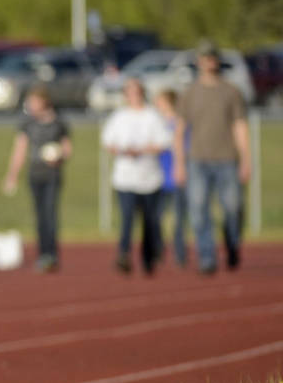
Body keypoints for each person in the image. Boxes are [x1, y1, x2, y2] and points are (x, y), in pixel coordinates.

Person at [179, 40, 251, 273]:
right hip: (198, 160)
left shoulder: (231, 92)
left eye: (212, 57)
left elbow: (240, 126)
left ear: (217, 60)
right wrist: (179, 163)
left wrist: (246, 159)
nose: (208, 61)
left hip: (227, 159)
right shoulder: (189, 93)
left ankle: (232, 245)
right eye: (204, 58)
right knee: (199, 210)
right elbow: (179, 131)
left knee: (232, 208)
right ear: (198, 62)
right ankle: (207, 256)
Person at [101, 77, 172, 274]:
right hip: (125, 178)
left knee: (150, 220)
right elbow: (108, 142)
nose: (133, 96)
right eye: (129, 92)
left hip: (149, 179)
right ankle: (123, 254)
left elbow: (164, 142)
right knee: (127, 218)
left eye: (136, 91)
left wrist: (144, 150)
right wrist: (123, 151)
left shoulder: (152, 116)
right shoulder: (119, 117)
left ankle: (149, 256)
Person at [3, 86, 71, 271]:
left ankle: (52, 254)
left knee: (50, 214)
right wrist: (12, 175)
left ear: (43, 101)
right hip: (35, 174)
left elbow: (67, 149)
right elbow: (20, 149)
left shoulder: (58, 123)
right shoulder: (28, 124)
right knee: (40, 216)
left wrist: (59, 157)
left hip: (52, 175)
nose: (31, 106)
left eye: (34, 101)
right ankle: (43, 254)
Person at [153, 87, 190, 268]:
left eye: (159, 101)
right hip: (157, 178)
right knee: (156, 218)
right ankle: (157, 252)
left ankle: (180, 254)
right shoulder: (156, 123)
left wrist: (180, 168)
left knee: (177, 219)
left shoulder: (180, 123)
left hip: (175, 177)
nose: (156, 104)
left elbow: (184, 148)